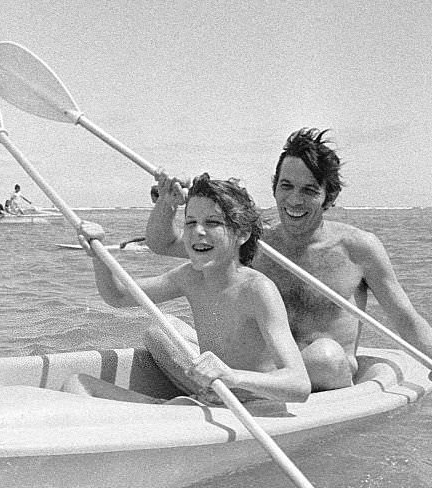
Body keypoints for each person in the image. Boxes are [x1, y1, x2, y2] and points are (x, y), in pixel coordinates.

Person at [145, 128, 432, 396]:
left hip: (327, 373)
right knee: (163, 331)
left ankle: (226, 391)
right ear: (274, 187)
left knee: (323, 356)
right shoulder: (258, 243)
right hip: (270, 374)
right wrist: (168, 205)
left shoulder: (358, 248)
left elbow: (405, 318)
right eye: (286, 186)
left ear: (328, 196)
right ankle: (220, 391)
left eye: (309, 190)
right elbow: (165, 244)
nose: (294, 199)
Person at [67, 174, 311, 408]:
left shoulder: (257, 290)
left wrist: (232, 377)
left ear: (243, 234)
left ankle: (166, 409)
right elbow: (118, 295)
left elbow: (298, 385)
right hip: (209, 400)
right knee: (76, 383)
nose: (198, 231)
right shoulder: (190, 277)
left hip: (254, 407)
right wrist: (98, 254)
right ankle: (163, 407)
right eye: (191, 222)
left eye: (213, 222)